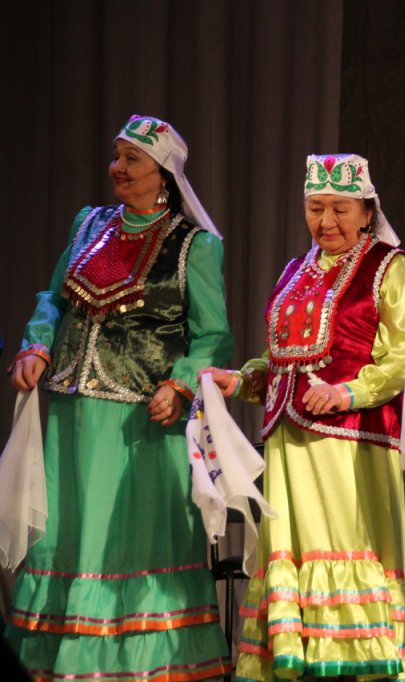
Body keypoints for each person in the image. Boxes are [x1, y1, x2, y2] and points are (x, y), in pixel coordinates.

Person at [5, 115, 234, 680]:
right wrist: (36, 345)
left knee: (126, 538)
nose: (118, 169)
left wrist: (181, 384)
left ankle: (142, 661)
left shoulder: (193, 245)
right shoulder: (90, 224)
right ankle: (60, 656)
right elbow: (53, 298)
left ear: (164, 174)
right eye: (117, 157)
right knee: (68, 532)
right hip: (70, 408)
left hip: (140, 418)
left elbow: (212, 334)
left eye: (133, 159)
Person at [201, 153, 405, 681]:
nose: (326, 221)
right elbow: (282, 357)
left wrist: (349, 392)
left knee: (343, 549)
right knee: (294, 554)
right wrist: (242, 379)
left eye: (340, 209)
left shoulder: (390, 267)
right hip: (289, 440)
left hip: (350, 440)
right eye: (315, 208)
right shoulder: (295, 271)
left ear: (367, 212)